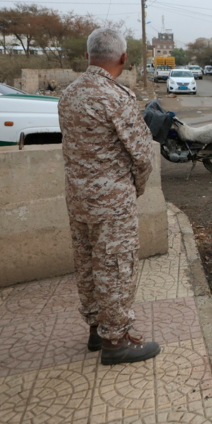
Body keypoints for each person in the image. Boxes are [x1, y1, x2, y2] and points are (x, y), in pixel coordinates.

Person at [58, 28, 160, 365]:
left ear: (87, 56)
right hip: (112, 203)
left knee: (88, 264)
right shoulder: (116, 97)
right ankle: (115, 342)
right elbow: (143, 156)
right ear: (124, 58)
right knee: (115, 267)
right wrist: (135, 189)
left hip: (78, 200)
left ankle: (95, 330)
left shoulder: (68, 95)